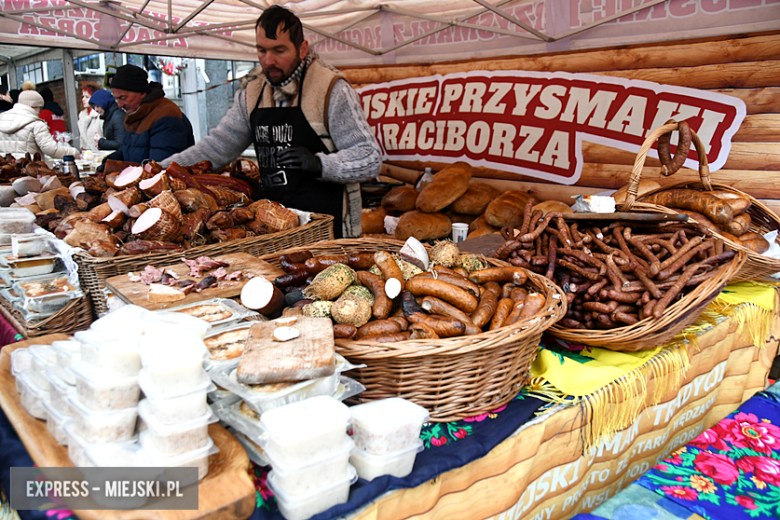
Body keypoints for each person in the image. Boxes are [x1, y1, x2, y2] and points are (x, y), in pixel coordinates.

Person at [161, 6, 381, 238]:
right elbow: (215, 148)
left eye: (279, 50)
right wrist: (161, 171)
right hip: (274, 228)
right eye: (262, 50)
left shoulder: (330, 89)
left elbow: (369, 157)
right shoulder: (253, 91)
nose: (269, 60)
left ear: (302, 49)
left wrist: (319, 164)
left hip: (329, 229)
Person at [103, 64, 194, 165]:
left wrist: (121, 169)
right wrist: (113, 160)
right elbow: (129, 148)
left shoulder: (166, 118)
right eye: (117, 99)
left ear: (142, 93)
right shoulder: (135, 112)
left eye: (123, 98)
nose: (120, 105)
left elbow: (160, 166)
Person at [0, 90, 79, 159]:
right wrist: (74, 152)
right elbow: (52, 150)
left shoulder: (2, 118)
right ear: (36, 107)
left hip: (6, 171)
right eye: (40, 108)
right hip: (30, 171)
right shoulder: (36, 124)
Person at [77, 84, 103, 151]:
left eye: (87, 97)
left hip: (100, 154)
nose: (83, 99)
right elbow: (82, 138)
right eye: (83, 96)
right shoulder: (82, 115)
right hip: (87, 156)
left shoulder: (100, 114)